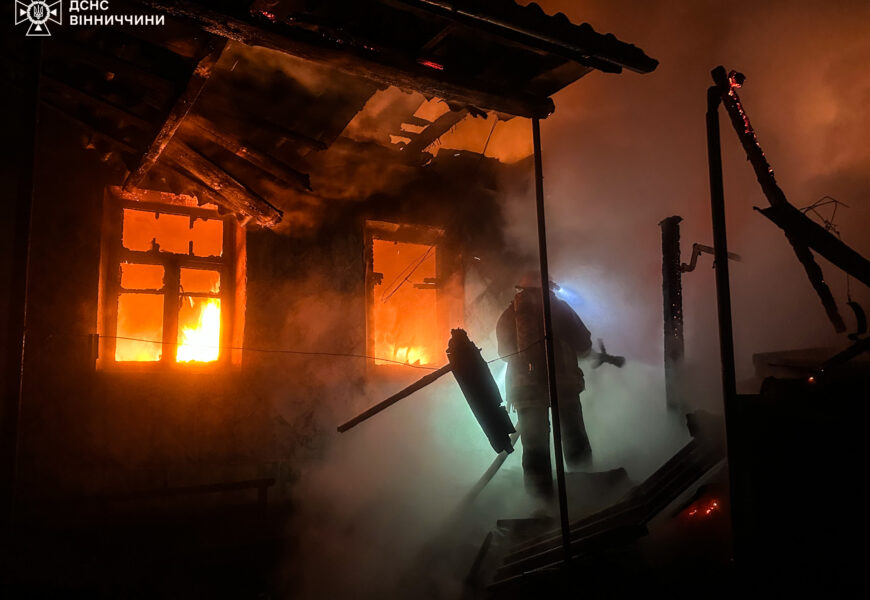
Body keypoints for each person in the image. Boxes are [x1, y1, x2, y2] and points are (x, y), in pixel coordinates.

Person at [496, 271, 593, 498]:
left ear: (521, 288)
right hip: (563, 385)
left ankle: (539, 503)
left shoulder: (509, 315)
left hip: (525, 389)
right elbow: (583, 342)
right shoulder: (559, 308)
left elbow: (504, 353)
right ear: (548, 288)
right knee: (573, 436)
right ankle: (586, 493)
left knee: (534, 447)